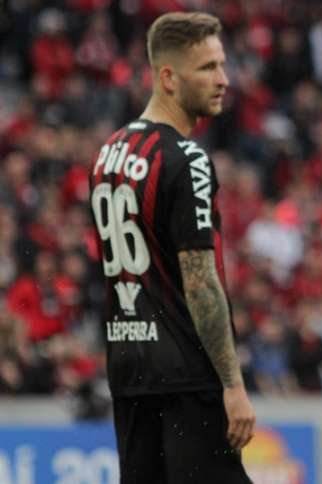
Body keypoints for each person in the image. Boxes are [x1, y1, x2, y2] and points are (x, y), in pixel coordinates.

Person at [88, 12, 254, 483]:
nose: (223, 79)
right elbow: (200, 281)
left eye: (222, 64)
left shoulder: (109, 154)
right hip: (187, 379)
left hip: (129, 372)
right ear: (167, 77)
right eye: (206, 68)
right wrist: (232, 385)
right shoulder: (188, 160)